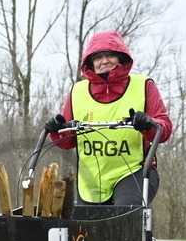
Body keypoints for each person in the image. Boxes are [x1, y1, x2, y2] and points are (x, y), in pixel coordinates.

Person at [44, 30, 173, 208]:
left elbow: (164, 129)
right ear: (91, 63)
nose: (104, 61)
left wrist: (148, 124)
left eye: (110, 55)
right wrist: (55, 130)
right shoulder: (77, 92)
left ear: (120, 58)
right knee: (85, 232)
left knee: (123, 216)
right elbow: (67, 141)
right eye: (98, 57)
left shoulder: (143, 86)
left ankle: (138, 235)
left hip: (133, 171)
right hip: (91, 179)